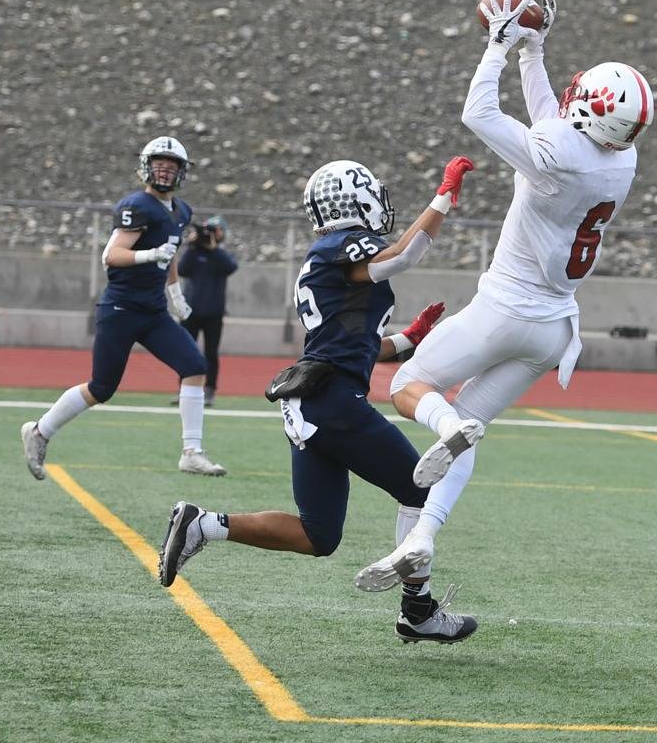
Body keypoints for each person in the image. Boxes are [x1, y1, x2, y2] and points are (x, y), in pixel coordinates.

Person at [356, 0, 655, 593]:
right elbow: (553, 125)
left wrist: (498, 46)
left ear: (592, 113)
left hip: (505, 310)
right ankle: (422, 537)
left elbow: (479, 114)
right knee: (468, 428)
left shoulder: (558, 156)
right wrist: (532, 51)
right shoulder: (620, 161)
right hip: (555, 331)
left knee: (406, 385)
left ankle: (446, 429)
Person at [158, 156, 479, 644]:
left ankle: (204, 525)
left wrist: (410, 338)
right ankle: (418, 611)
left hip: (309, 403)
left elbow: (355, 346)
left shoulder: (326, 256)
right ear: (355, 199)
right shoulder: (340, 246)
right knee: (422, 491)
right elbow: (403, 256)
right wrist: (443, 196)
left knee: (318, 535)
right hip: (334, 402)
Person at [21, 136, 226, 479]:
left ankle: (192, 452)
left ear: (182, 172)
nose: (164, 171)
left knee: (194, 365)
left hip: (153, 310)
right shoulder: (137, 205)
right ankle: (39, 431)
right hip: (121, 308)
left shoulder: (181, 211)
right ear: (146, 168)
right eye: (159, 164)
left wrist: (175, 294)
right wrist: (149, 255)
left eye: (171, 166)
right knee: (101, 388)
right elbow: (111, 255)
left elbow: (170, 254)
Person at [171, 215, 238, 407]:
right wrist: (190, 246)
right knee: (186, 350)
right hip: (190, 311)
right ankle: (184, 388)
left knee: (211, 352)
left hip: (214, 312)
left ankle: (209, 390)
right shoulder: (193, 253)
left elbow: (231, 267)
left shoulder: (221, 255)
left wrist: (213, 249)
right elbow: (182, 270)